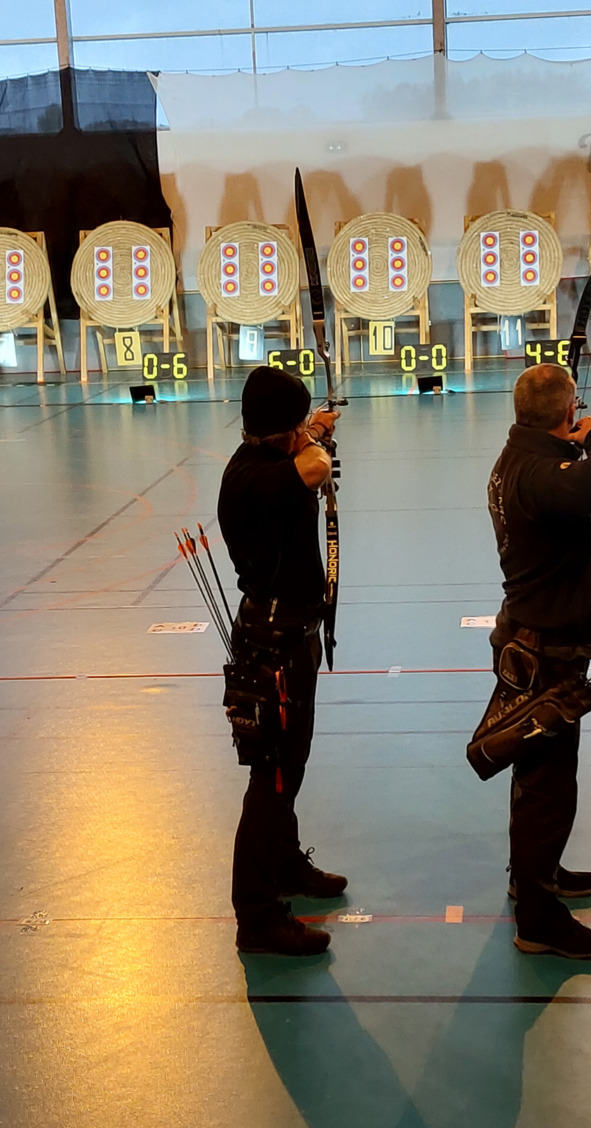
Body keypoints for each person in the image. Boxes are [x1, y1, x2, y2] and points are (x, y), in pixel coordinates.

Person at [486, 363, 591, 959]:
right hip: (544, 654)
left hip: (540, 644)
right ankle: (539, 919)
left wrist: (571, 434)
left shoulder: (524, 458)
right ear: (568, 412)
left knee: (538, 779)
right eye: (576, 408)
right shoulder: (540, 474)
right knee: (547, 788)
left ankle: (535, 877)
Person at [218, 365, 348, 956]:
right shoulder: (256, 478)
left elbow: (303, 458)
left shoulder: (267, 461)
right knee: (272, 777)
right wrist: (313, 436)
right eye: (295, 424)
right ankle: (257, 916)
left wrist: (308, 427)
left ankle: (286, 864)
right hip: (272, 646)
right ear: (283, 432)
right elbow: (314, 467)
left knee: (286, 768)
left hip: (288, 635)